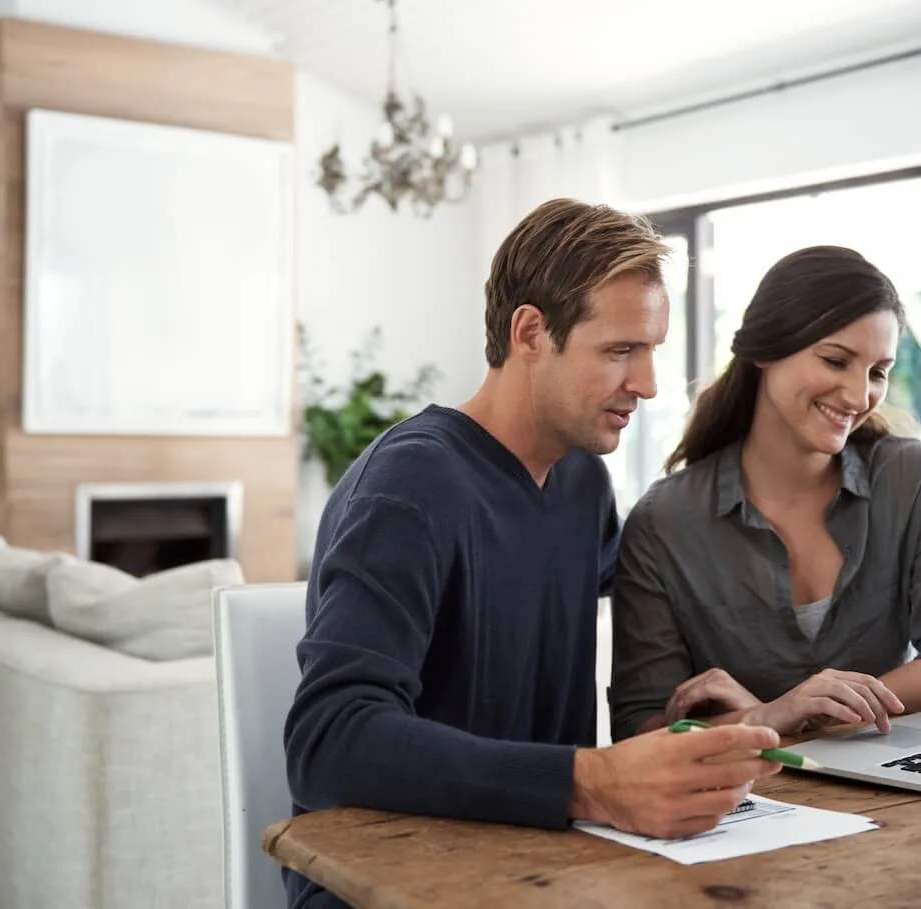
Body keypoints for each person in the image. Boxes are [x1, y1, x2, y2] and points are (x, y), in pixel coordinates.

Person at [285, 198, 784, 909]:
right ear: (530, 332)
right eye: (620, 350)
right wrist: (593, 782)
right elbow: (328, 741)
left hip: (543, 870)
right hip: (389, 884)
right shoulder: (410, 487)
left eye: (651, 351)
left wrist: (735, 716)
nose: (646, 384)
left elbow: (650, 597)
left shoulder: (582, 482)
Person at [608, 245, 921, 744]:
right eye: (835, 360)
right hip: (751, 790)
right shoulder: (664, 522)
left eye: (877, 372)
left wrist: (815, 713)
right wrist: (770, 716)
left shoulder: (912, 477)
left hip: (889, 778)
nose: (858, 396)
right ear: (765, 349)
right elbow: (640, 731)